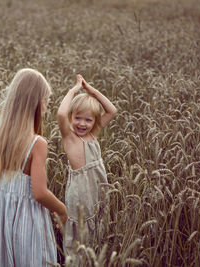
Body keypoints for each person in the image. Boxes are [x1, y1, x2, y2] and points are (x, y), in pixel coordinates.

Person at [0, 68, 68, 266]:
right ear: (35, 103)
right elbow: (39, 193)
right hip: (28, 222)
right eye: (46, 101)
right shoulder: (37, 143)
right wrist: (62, 210)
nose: (47, 106)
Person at [57, 74, 117, 257]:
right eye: (78, 118)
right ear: (71, 117)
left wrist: (92, 91)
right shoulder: (70, 138)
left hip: (97, 190)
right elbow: (61, 113)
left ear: (95, 122)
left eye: (88, 120)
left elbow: (112, 110)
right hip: (80, 194)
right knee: (80, 232)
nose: (83, 124)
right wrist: (74, 90)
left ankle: (94, 256)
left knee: (97, 229)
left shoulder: (93, 134)